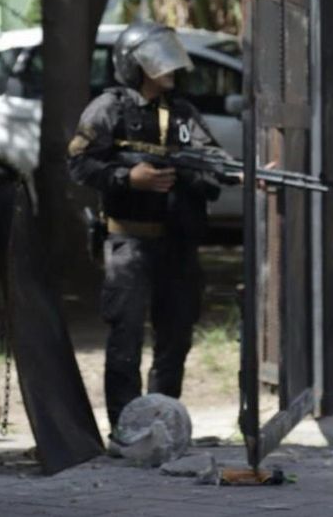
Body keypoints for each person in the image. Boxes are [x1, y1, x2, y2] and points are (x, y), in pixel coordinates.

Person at [67, 21, 223, 429]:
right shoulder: (109, 108)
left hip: (177, 244)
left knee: (176, 336)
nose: (169, 69)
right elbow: (80, 163)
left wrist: (245, 175)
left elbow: (212, 158)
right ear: (134, 65)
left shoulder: (183, 113)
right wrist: (127, 178)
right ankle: (126, 428)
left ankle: (162, 421)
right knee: (126, 337)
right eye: (158, 61)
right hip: (129, 241)